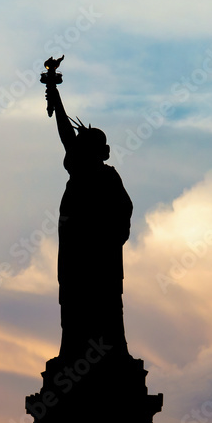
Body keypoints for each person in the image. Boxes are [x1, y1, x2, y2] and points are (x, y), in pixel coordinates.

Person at [44, 79, 132, 360]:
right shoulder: (83, 171)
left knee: (102, 299)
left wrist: (112, 233)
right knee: (76, 297)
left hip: (101, 250)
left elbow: (124, 209)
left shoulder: (108, 177)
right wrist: (55, 97)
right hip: (77, 247)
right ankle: (76, 351)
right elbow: (65, 133)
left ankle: (108, 351)